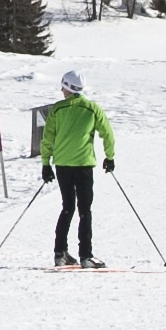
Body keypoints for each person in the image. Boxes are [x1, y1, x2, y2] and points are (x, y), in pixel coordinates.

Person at [33, 66, 117, 269]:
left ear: (68, 88)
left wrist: (46, 164)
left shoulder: (57, 109)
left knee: (67, 207)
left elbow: (47, 139)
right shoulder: (92, 108)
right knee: (84, 210)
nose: (62, 91)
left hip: (62, 165)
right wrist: (109, 157)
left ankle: (59, 253)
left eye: (63, 87)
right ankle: (86, 256)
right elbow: (107, 133)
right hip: (83, 165)